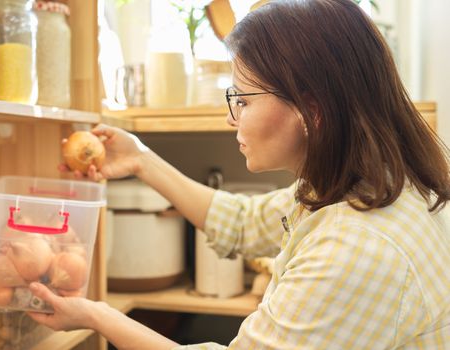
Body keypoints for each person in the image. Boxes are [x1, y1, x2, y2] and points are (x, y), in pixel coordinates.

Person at [29, 0, 450, 348]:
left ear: (312, 110)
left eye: (243, 100)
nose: (233, 119)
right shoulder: (362, 187)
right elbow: (243, 221)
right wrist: (140, 159)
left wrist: (96, 315)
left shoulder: (357, 246)